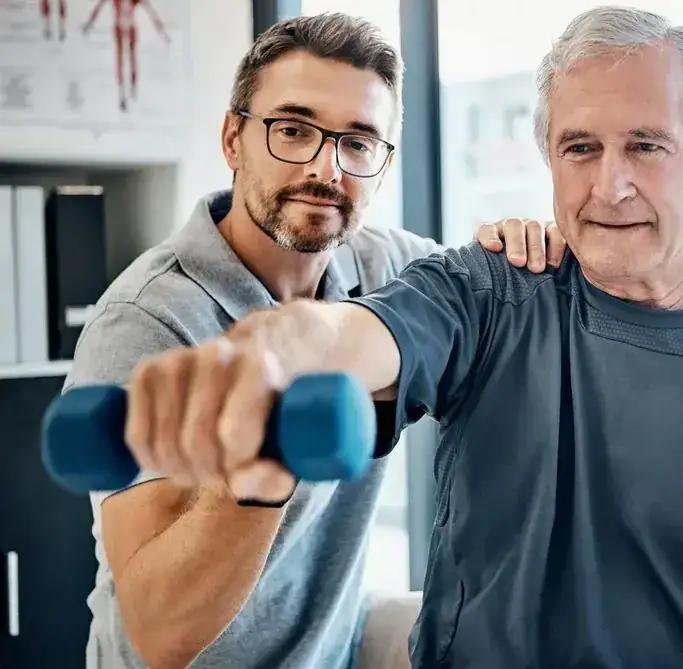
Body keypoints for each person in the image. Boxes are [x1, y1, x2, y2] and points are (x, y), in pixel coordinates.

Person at [95, 6, 683, 669]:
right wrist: (261, 354)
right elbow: (360, 332)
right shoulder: (489, 289)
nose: (608, 184)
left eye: (645, 146)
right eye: (579, 147)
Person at [65, 12, 564, 669]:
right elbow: (160, 633)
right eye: (293, 130)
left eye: (358, 143)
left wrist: (522, 249)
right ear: (233, 138)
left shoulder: (386, 270)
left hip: (335, 647)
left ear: (382, 166)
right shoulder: (145, 323)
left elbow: (487, 302)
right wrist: (261, 459)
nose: (326, 168)